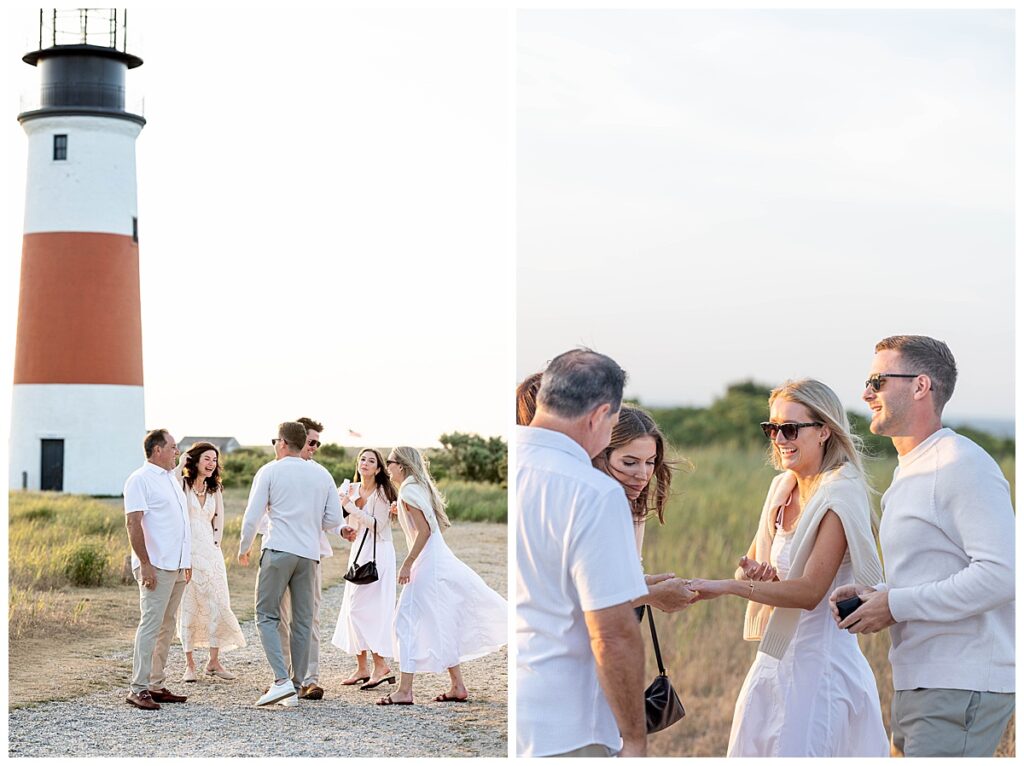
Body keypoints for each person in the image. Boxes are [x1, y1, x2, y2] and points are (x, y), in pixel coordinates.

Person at [830, 335, 1015, 757]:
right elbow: (931, 574)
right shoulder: (910, 471)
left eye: (877, 380)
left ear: (920, 386)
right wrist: (876, 598)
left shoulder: (962, 463)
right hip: (921, 680)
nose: (865, 393)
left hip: (960, 683)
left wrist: (895, 604)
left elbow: (1003, 575)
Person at [688, 378, 888, 757]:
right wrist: (755, 577)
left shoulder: (839, 493)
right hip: (775, 660)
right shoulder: (782, 488)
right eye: (772, 428)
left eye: (790, 428)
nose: (779, 438)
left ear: (824, 431)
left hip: (820, 670)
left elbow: (811, 592)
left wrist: (730, 589)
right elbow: (752, 568)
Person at [517, 348, 649, 758]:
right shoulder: (593, 492)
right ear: (599, 415)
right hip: (570, 725)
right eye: (612, 423)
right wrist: (635, 739)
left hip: (518, 713)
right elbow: (612, 632)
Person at [376, 445, 507, 706]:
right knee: (440, 619)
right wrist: (401, 513)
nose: (386, 466)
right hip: (435, 558)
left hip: (427, 563)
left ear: (400, 465)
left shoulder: (409, 491)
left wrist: (408, 563)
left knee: (406, 620)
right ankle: (457, 686)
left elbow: (425, 532)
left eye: (389, 462)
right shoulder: (416, 488)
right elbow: (429, 527)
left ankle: (404, 691)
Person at [238, 421, 349, 707]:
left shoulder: (270, 471)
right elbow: (333, 521)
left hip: (278, 550)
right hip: (309, 555)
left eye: (276, 440)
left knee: (266, 615)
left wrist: (244, 548)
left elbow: (252, 517)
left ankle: (280, 681)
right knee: (302, 621)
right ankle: (297, 685)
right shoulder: (322, 474)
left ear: (283, 443)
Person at [123, 429, 192, 711]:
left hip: (177, 565)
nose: (177, 452)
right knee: (151, 625)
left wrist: (186, 561)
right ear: (157, 450)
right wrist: (146, 563)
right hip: (156, 565)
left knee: (167, 625)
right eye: (173, 447)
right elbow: (133, 523)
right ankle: (137, 688)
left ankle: (155, 684)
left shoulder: (170, 480)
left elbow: (179, 523)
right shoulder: (139, 480)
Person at [176, 442, 246, 682]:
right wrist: (182, 460)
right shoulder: (182, 485)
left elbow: (220, 520)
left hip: (211, 555)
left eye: (214, 460)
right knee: (189, 606)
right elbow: (172, 477)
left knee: (218, 604)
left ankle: (214, 662)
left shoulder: (214, 489)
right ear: (195, 460)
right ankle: (190, 664)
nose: (211, 464)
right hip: (188, 554)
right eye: (206, 458)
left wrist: (215, 546)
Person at [331, 447, 399, 689]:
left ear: (379, 468)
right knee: (351, 609)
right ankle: (362, 667)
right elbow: (347, 522)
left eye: (372, 460)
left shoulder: (382, 493)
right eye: (363, 459)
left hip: (378, 552)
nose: (366, 463)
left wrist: (350, 506)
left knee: (371, 609)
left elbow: (378, 525)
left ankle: (381, 664)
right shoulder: (349, 488)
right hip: (358, 550)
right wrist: (345, 525)